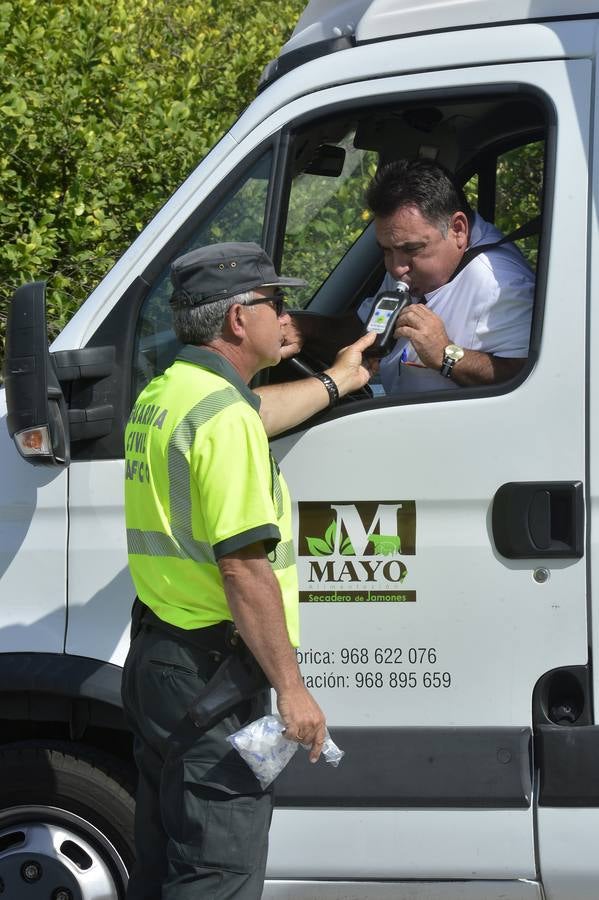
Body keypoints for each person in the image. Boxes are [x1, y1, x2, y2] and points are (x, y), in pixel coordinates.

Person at [121, 241, 374, 900]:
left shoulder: (171, 391)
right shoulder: (224, 417)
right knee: (216, 873)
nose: (284, 316)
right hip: (211, 679)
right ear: (239, 319)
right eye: (274, 302)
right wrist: (291, 689)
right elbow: (242, 568)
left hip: (161, 662)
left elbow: (255, 415)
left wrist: (336, 380)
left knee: (165, 864)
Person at [284, 158, 535, 395]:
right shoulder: (407, 262)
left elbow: (530, 379)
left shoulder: (501, 284)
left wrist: (446, 355)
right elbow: (367, 330)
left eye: (412, 249)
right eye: (386, 251)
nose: (396, 268)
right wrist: (302, 328)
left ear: (458, 230)